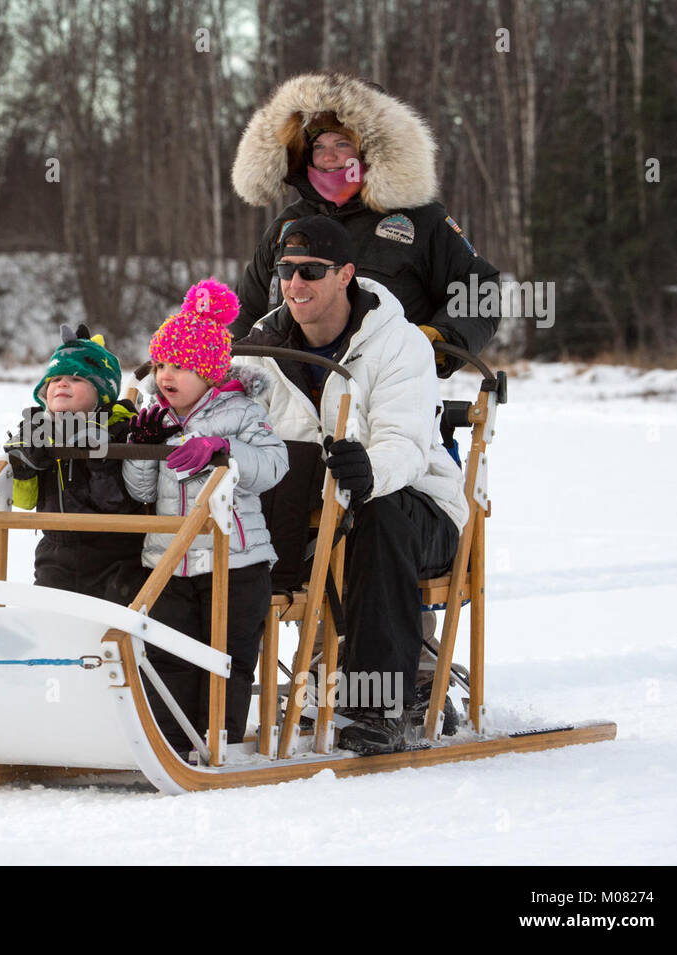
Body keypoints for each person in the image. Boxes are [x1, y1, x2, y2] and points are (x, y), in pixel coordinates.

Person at [236, 216, 469, 755]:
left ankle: (379, 707)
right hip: (312, 513)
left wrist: (370, 471)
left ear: (345, 275)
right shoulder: (263, 345)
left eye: (310, 271)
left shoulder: (399, 343)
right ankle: (195, 697)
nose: (295, 284)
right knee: (219, 510)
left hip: (417, 509)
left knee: (378, 514)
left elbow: (406, 443)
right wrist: (161, 382)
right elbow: (218, 405)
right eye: (287, 271)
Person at [229, 72, 500, 375]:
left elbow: (480, 292)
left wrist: (439, 337)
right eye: (319, 145)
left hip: (387, 387)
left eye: (342, 143)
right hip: (291, 392)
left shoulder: (422, 220)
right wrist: (224, 365)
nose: (329, 156)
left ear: (371, 150)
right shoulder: (288, 224)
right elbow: (246, 312)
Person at [122, 280, 288, 755]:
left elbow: (275, 466)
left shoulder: (240, 412)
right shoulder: (157, 416)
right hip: (169, 560)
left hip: (236, 562)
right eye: (160, 364)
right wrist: (141, 448)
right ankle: (174, 744)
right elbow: (141, 492)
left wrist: (224, 450)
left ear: (210, 372)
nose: (165, 375)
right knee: (170, 655)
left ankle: (221, 740)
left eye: (179, 366)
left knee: (227, 657)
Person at [3, 324, 144, 599]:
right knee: (49, 618)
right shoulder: (38, 430)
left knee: (109, 624)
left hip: (115, 553)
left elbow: (116, 503)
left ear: (102, 393)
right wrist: (23, 467)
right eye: (55, 380)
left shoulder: (118, 429)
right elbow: (24, 501)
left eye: (77, 379)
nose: (62, 384)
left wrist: (98, 458)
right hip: (56, 551)